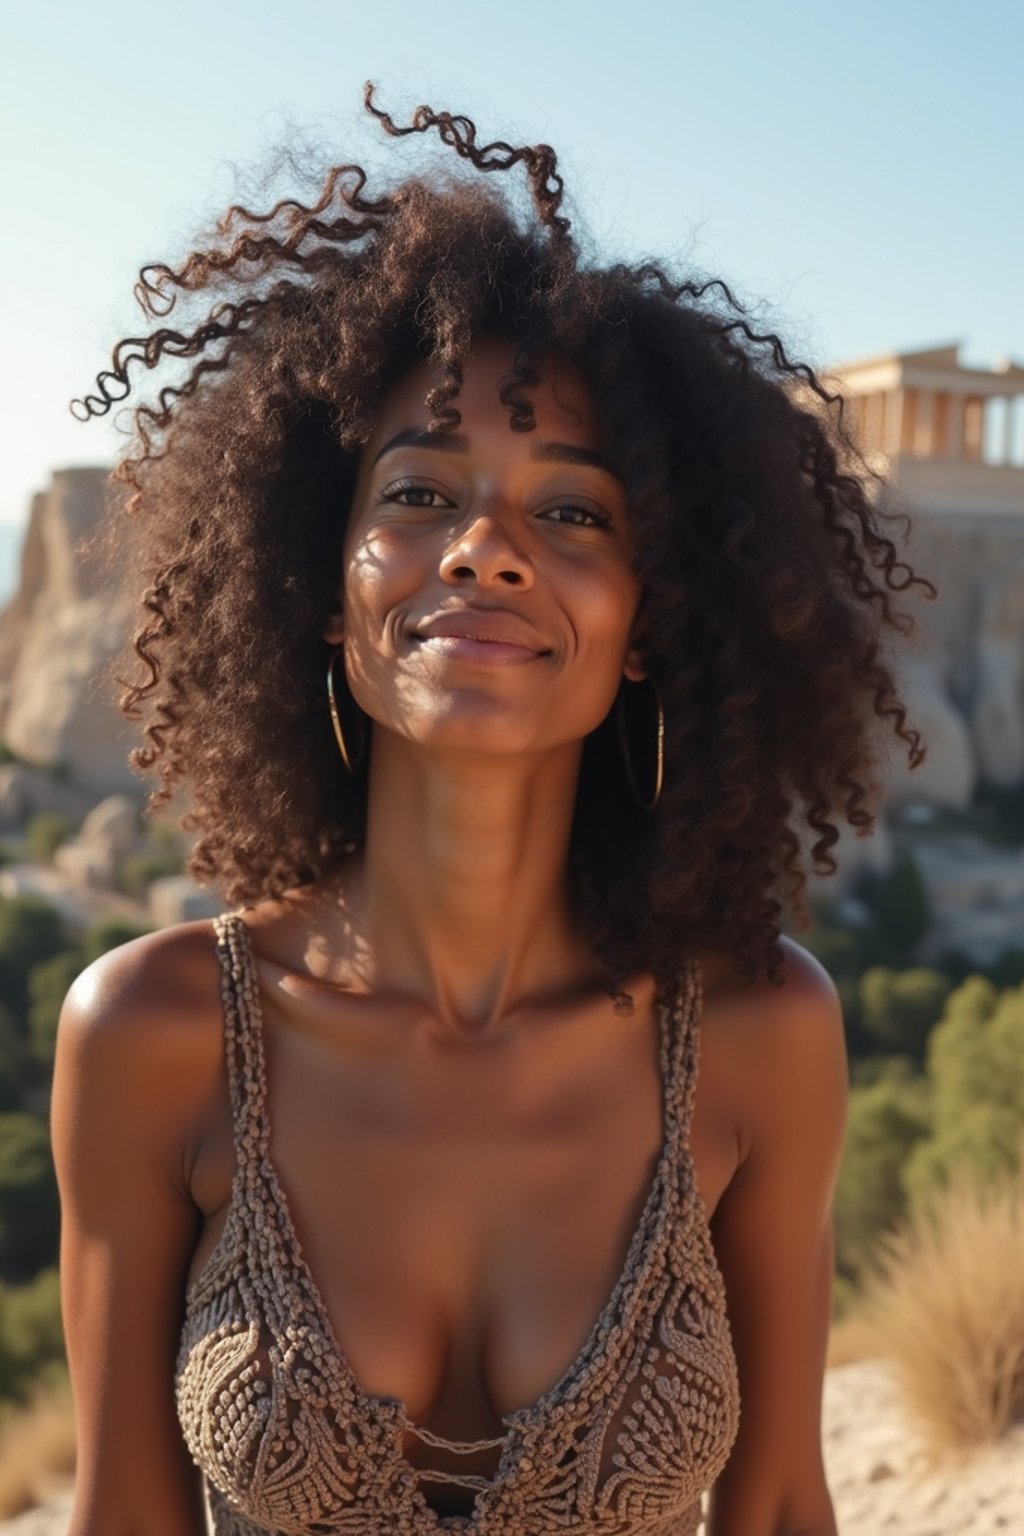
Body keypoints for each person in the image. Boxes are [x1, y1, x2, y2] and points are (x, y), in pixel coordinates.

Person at [52, 86, 932, 1536]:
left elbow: (778, 1508)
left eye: (574, 513)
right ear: (325, 588)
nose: (487, 551)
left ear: (651, 620)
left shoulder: (761, 1034)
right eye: (416, 493)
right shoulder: (154, 1037)